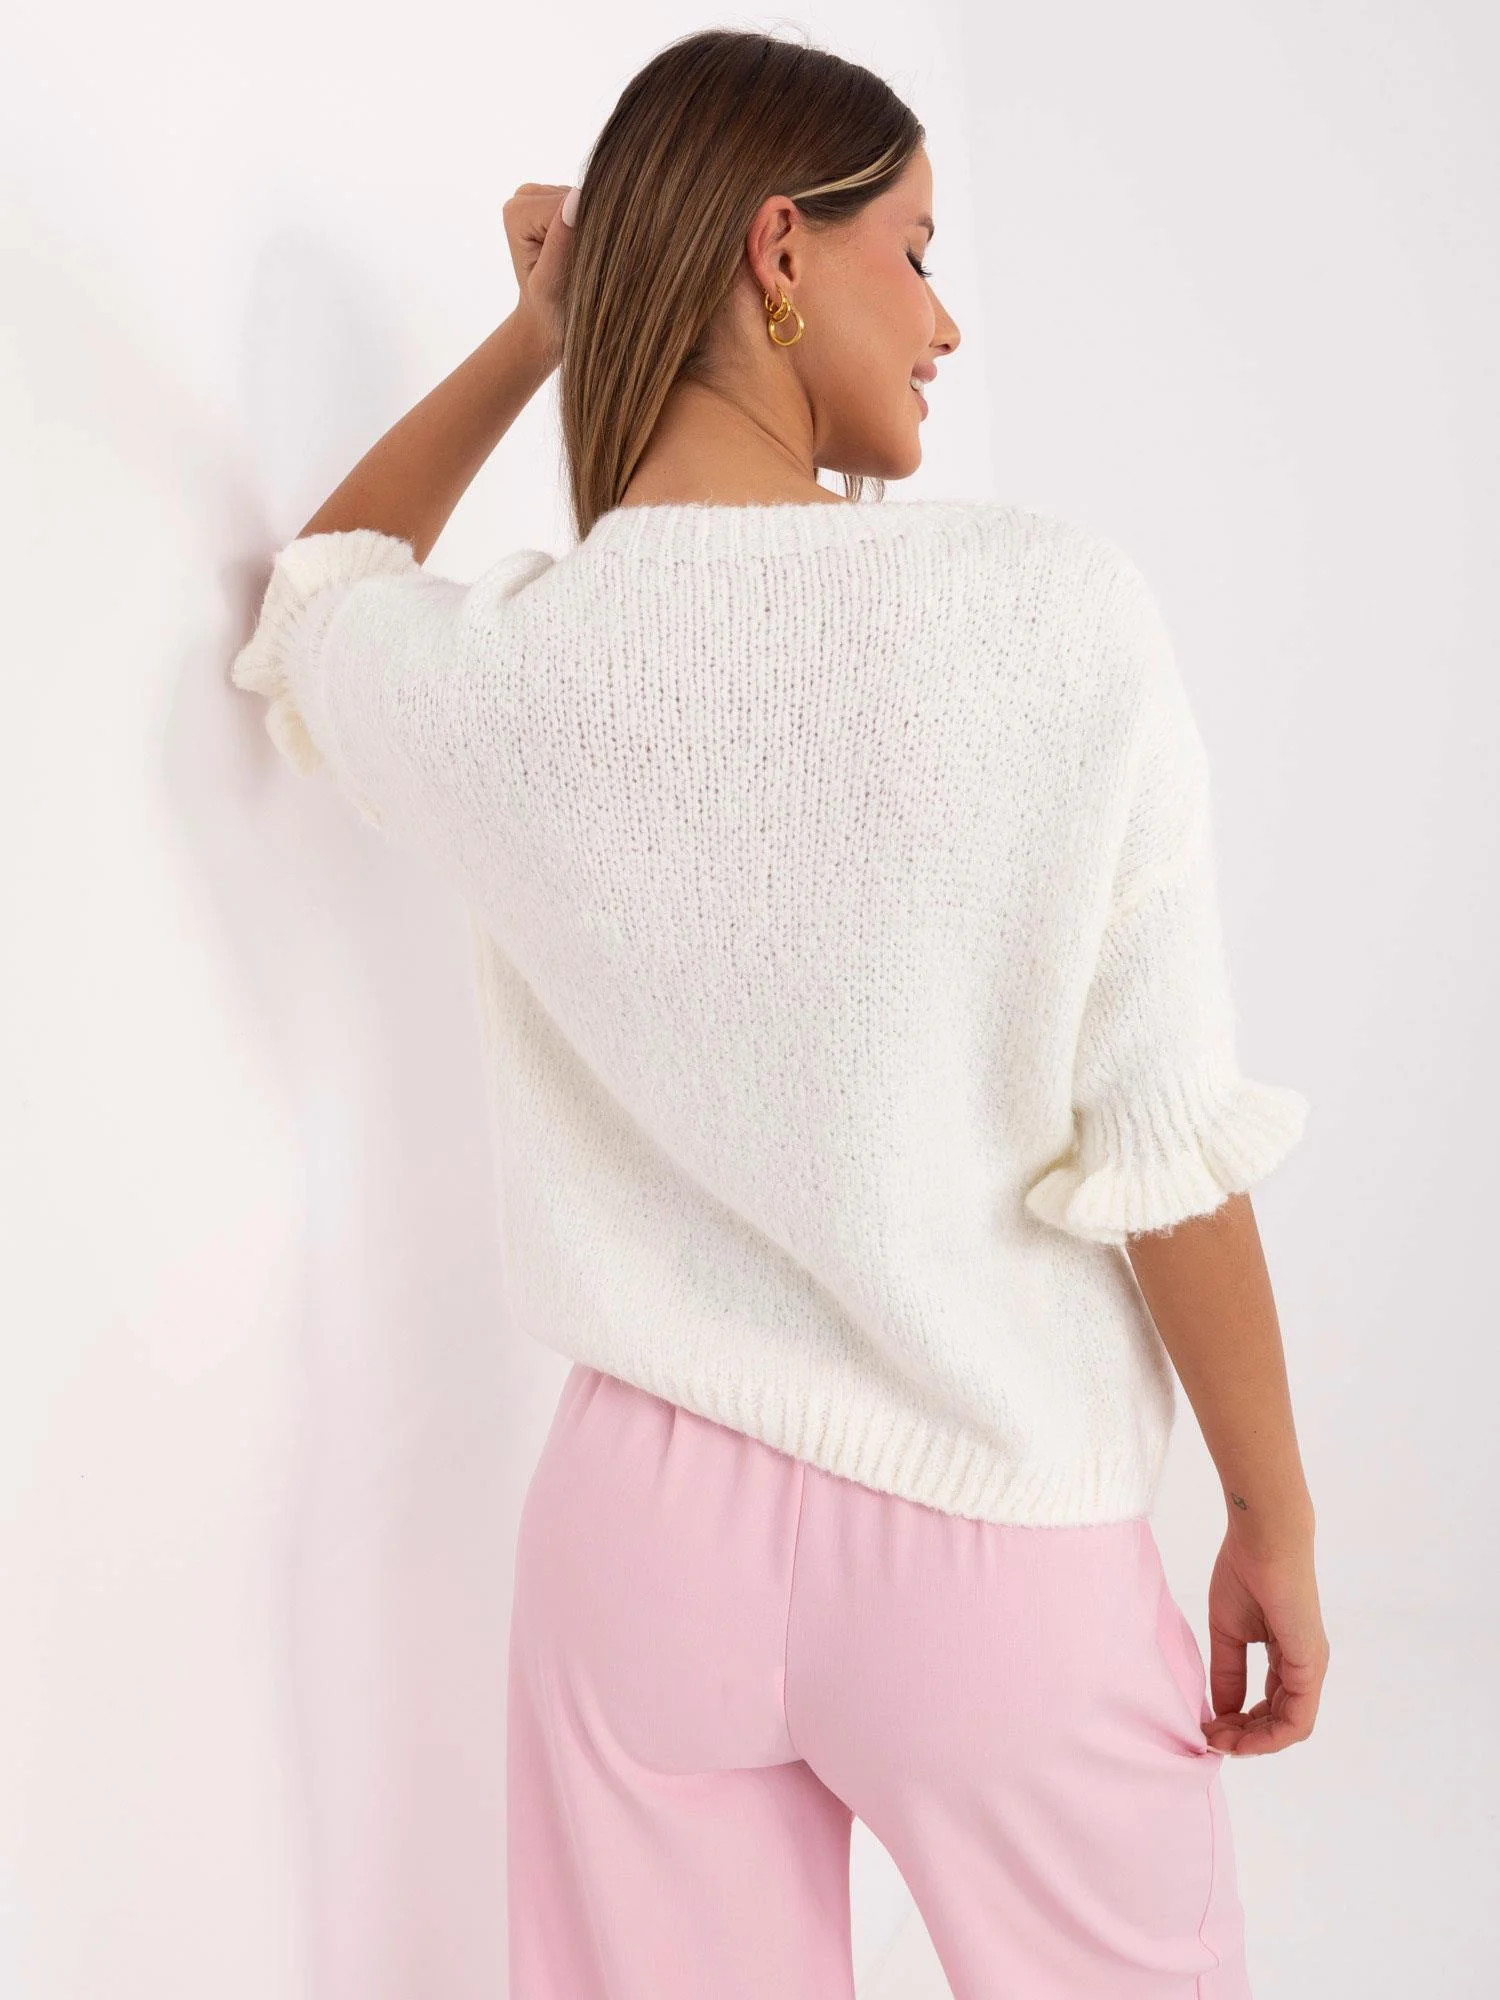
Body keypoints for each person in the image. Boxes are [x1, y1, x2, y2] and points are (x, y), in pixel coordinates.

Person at [229, 26, 1329, 2000]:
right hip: (995, 1523)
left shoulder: (515, 675)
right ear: (778, 249)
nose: (949, 321)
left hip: (637, 1545)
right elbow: (1161, 1144)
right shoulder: (1051, 615)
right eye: (917, 250)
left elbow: (318, 596)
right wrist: (1272, 1514)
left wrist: (541, 338)